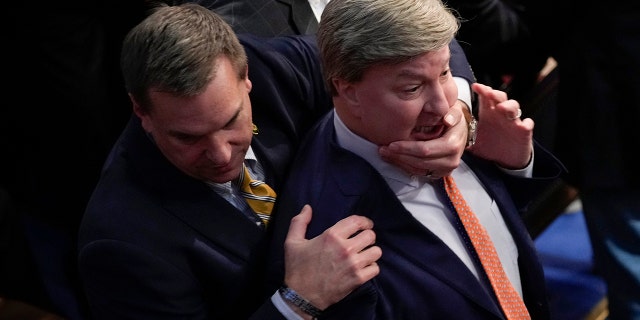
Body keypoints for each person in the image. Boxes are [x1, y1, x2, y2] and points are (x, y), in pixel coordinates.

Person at [77, 3, 482, 319]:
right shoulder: (120, 243)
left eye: (231, 121)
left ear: (246, 77)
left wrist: (459, 112)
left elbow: (412, 44)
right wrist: (297, 303)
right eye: (187, 137)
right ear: (140, 110)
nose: (220, 154)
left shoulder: (273, 67)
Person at [265, 0, 566, 318]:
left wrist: (514, 168)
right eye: (412, 88)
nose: (442, 105)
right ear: (348, 90)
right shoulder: (328, 236)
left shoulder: (464, 124)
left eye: (446, 71)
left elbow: (493, 250)